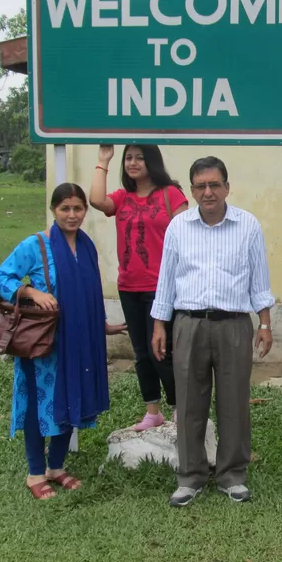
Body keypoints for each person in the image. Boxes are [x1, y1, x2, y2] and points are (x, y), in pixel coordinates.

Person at [151, 157, 274, 508]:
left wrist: (264, 323)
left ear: (227, 187)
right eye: (200, 186)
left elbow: (259, 281)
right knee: (189, 402)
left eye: (215, 185)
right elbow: (166, 281)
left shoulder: (247, 225)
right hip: (188, 324)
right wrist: (160, 324)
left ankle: (232, 475)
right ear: (191, 190)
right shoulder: (178, 227)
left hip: (234, 325)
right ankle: (190, 477)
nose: (208, 192)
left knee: (234, 402)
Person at [0, 183, 125, 500]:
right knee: (40, 406)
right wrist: (31, 292)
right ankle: (35, 473)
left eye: (78, 208)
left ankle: (56, 467)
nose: (72, 214)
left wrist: (101, 325)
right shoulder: (36, 245)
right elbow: (2, 276)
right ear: (54, 210)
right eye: (65, 208)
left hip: (79, 342)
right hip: (43, 345)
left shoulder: (87, 245)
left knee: (71, 400)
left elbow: (88, 292)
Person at [89, 145, 188, 431]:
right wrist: (103, 161)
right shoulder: (123, 198)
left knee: (163, 352)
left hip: (163, 288)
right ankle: (152, 411)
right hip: (129, 286)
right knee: (141, 352)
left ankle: (179, 408)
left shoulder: (171, 195)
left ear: (152, 161)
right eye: (129, 158)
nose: (133, 163)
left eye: (139, 157)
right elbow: (96, 200)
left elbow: (188, 237)